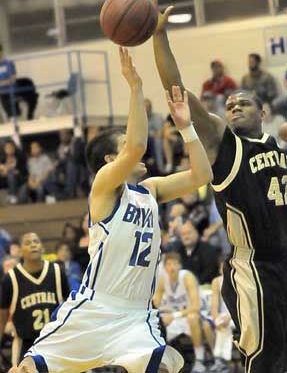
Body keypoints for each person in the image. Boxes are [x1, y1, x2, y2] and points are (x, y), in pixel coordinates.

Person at [10, 47, 213, 373]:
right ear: (110, 161)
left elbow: (202, 176)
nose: (134, 150)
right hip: (95, 308)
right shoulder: (105, 186)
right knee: (27, 370)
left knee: (160, 368)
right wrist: (135, 88)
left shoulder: (150, 190)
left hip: (136, 315)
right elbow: (136, 146)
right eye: (122, 147)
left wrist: (187, 129)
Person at [152, 0, 287, 373]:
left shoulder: (278, 148)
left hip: (285, 261)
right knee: (264, 360)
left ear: (263, 111)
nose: (232, 107)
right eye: (229, 105)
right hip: (254, 267)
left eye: (242, 103)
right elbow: (176, 90)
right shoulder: (223, 144)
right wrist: (159, 38)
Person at [0, 233, 70, 368]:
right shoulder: (11, 279)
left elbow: (70, 306)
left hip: (55, 342)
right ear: (20, 251)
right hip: (25, 344)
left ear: (42, 248)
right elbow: (2, 320)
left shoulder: (56, 271)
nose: (33, 245)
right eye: (28, 243)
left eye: (36, 242)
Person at [153, 252, 214, 373]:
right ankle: (162, 362)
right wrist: (164, 311)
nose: (172, 267)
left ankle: (200, 360)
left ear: (180, 266)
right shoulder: (162, 279)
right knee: (157, 322)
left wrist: (174, 315)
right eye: (169, 264)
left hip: (199, 314)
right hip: (177, 316)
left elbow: (196, 307)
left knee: (192, 317)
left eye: (175, 264)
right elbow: (155, 305)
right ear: (164, 267)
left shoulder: (187, 277)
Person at [210, 263, 233, 373]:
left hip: (238, 317)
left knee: (225, 326)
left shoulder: (240, 280)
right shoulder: (216, 281)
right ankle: (223, 361)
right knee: (222, 326)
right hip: (222, 316)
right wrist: (216, 320)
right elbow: (214, 305)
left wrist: (229, 317)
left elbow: (242, 305)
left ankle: (221, 360)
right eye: (222, 267)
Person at [0, 140, 27, 204]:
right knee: (9, 174)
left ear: (14, 148)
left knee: (11, 174)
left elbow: (23, 170)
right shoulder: (2, 158)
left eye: (10, 147)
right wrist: (3, 172)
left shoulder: (20, 156)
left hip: (19, 179)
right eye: (6, 148)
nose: (8, 149)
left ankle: (12, 195)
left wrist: (14, 171)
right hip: (5, 179)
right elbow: (2, 169)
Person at [0, 45, 17, 119]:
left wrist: (3, 83)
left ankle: (13, 118)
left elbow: (12, 80)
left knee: (12, 113)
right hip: (2, 92)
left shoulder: (9, 63)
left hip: (10, 91)